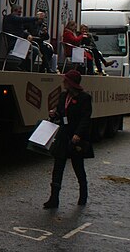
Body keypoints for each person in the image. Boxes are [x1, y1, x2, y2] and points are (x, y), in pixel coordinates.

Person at [43, 70, 93, 208]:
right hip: (63, 136)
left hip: (76, 137)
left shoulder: (84, 98)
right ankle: (54, 198)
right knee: (58, 167)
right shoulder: (63, 96)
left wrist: (78, 134)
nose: (63, 83)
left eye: (65, 81)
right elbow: (60, 111)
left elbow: (85, 118)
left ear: (71, 83)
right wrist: (54, 113)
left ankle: (83, 195)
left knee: (78, 167)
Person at [2, 6, 45, 71]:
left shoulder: (15, 20)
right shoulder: (10, 17)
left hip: (19, 42)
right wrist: (36, 17)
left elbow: (20, 31)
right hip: (14, 43)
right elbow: (22, 20)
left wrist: (28, 35)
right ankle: (25, 68)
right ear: (14, 11)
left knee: (36, 48)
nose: (20, 14)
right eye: (19, 12)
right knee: (35, 50)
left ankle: (23, 67)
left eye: (20, 12)